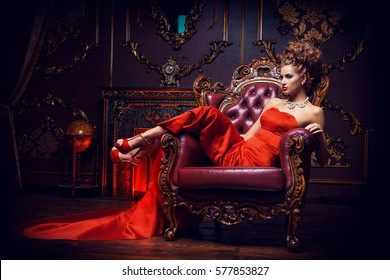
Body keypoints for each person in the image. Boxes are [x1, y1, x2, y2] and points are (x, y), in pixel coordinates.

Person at [19, 41, 330, 241]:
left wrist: (320, 141)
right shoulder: (273, 104)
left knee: (203, 117)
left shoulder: (314, 113)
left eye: (288, 77)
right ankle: (144, 142)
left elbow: (324, 159)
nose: (281, 82)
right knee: (206, 115)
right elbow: (246, 136)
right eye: (282, 76)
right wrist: (223, 136)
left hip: (256, 163)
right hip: (239, 151)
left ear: (304, 77)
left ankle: (139, 144)